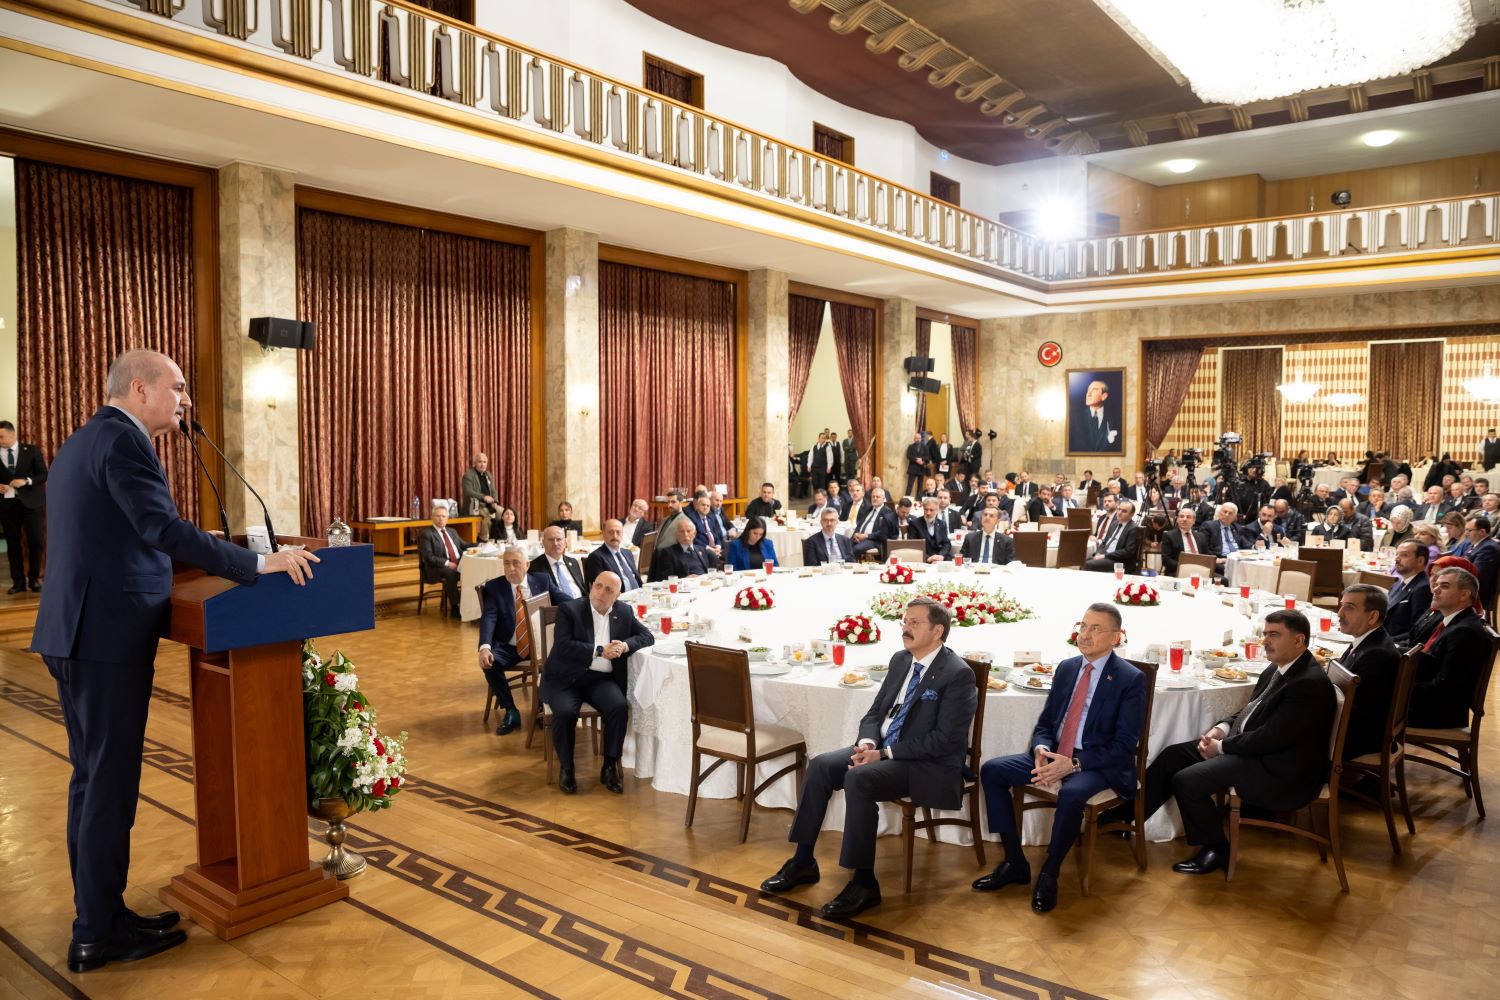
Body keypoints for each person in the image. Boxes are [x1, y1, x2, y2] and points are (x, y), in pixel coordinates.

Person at [32, 349, 318, 972]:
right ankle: (97, 934)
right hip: (103, 637)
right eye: (179, 387)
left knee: (92, 781)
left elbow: (124, 533)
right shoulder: (126, 443)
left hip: (74, 631)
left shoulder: (85, 439)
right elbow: (160, 528)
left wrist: (207, 548)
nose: (187, 398)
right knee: (107, 787)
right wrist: (252, 563)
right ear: (140, 389)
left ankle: (101, 915)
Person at [759, 597, 976, 918]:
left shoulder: (957, 674)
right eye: (905, 621)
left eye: (915, 622)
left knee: (858, 778)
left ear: (937, 630)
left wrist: (884, 753)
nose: (905, 627)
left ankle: (864, 884)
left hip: (927, 765)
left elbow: (944, 741)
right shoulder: (901, 660)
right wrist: (866, 742)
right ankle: (803, 861)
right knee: (821, 765)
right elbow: (876, 712)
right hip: (882, 750)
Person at [1103, 610, 1335, 876]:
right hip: (1258, 752)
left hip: (1281, 770)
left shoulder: (1308, 684)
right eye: (1264, 634)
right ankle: (1125, 818)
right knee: (1173, 755)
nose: (1265, 641)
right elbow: (1250, 711)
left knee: (1188, 780)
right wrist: (1221, 729)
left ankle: (1216, 849)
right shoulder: (1280, 666)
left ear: (1298, 640)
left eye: (1274, 635)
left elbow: (1272, 738)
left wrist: (1222, 748)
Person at [975, 603, 1146, 912]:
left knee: (1072, 792)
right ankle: (1014, 862)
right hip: (1057, 754)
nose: (1085, 634)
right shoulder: (1067, 668)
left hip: (1098, 763)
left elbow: (1124, 745)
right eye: (1083, 626)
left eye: (1096, 629)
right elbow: (1046, 723)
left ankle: (1050, 874)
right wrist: (1041, 749)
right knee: (993, 770)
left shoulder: (1129, 679)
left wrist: (1074, 764)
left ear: (1116, 637)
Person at [542, 571, 654, 794]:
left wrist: (624, 646)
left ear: (617, 595)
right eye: (598, 586)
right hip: (566, 678)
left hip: (600, 679)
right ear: (591, 586)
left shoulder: (624, 611)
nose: (601, 593)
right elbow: (563, 646)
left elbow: (647, 636)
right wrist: (600, 650)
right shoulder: (570, 610)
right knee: (564, 713)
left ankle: (609, 766)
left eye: (609, 590)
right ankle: (567, 768)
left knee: (618, 707)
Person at [477, 547, 551, 736]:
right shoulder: (495, 587)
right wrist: (484, 647)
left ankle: (544, 707)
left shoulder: (542, 580)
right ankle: (511, 711)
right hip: (508, 646)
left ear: (527, 565)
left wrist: (585, 606)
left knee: (559, 657)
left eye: (516, 563)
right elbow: (489, 617)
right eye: (506, 563)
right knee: (489, 663)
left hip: (538, 646)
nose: (511, 568)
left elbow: (563, 601)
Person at [1408, 567, 1492, 729]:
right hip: (1426, 700)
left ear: (1464, 594)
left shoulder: (1465, 632)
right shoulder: (1452, 620)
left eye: (1444, 586)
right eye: (1436, 585)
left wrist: (1398, 691)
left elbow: (1446, 687)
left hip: (1435, 713)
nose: (1435, 590)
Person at [1333, 584, 1401, 761]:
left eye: (1349, 607)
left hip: (1359, 738)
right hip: (1355, 728)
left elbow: (1360, 714)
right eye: (1342, 605)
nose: (1340, 613)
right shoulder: (1368, 639)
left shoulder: (1377, 655)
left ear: (1372, 616)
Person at [0, 419, 47, 593]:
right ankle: (18, 582)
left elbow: (44, 474)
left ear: (12, 434)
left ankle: (34, 579)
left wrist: (26, 481)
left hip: (31, 504)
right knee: (12, 545)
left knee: (35, 541)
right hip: (7, 505)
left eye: (1, 436)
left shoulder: (32, 451)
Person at [419, 503, 470, 618]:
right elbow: (428, 557)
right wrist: (447, 563)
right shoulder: (426, 534)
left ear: (447, 519)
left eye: (444, 516)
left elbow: (465, 545)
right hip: (436, 567)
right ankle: (455, 607)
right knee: (450, 573)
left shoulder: (452, 531)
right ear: (432, 517)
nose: (441, 519)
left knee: (475, 569)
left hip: (458, 562)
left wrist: (482, 544)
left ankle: (473, 605)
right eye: (438, 516)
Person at [1384, 540, 1433, 646]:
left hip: (1396, 645)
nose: (1397, 559)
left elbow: (1417, 629)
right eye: (1397, 554)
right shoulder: (1398, 584)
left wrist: (1386, 641)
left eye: (1404, 555)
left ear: (1420, 560)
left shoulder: (1423, 588)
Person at [529, 525, 586, 603]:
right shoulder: (535, 567)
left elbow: (583, 589)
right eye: (551, 540)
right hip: (558, 610)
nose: (555, 543)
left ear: (565, 542)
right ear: (543, 542)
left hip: (583, 605)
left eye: (559, 539)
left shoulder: (573, 562)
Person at [584, 519, 643, 590]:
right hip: (618, 598)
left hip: (638, 594)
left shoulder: (628, 553)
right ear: (603, 534)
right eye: (610, 532)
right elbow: (600, 588)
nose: (615, 536)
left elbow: (637, 578)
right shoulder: (596, 557)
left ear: (622, 534)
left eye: (618, 532)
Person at [1084, 500, 1140, 573]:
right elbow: (1104, 542)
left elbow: (1128, 552)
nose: (1119, 513)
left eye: (1124, 511)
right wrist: (1099, 553)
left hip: (1120, 561)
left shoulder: (1133, 528)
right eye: (1119, 509)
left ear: (1131, 514)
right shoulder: (1114, 524)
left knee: (1088, 564)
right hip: (1107, 555)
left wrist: (1105, 556)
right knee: (1085, 560)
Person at [460, 452, 501, 539]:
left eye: (484, 462)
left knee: (503, 513)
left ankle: (502, 538)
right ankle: (483, 539)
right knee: (488, 517)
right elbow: (468, 492)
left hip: (489, 505)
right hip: (475, 506)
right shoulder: (468, 475)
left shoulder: (488, 474)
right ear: (475, 463)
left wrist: (495, 502)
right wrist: (483, 497)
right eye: (480, 462)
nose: (482, 464)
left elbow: (493, 490)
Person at [1070, 378, 1118, 453]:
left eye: (1094, 390)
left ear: (1104, 396)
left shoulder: (1115, 419)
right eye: (1088, 390)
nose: (1088, 394)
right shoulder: (1074, 418)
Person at [1461, 515, 1499, 609]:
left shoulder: (1488, 548)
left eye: (1469, 530)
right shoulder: (1476, 545)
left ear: (1482, 531)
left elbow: (1476, 575)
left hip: (1477, 595)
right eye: (1465, 530)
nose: (1465, 533)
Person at [851, 487, 899, 558]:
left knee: (856, 549)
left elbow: (883, 532)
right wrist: (856, 534)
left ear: (883, 499)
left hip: (873, 540)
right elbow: (859, 524)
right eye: (873, 497)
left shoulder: (887, 513)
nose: (875, 498)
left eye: (877, 497)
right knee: (845, 545)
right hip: (860, 537)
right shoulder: (868, 509)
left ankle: (854, 567)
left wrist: (866, 536)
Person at [1159, 506, 1208, 577]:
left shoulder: (1201, 536)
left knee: (1223, 580)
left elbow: (1206, 556)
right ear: (1178, 520)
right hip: (1179, 570)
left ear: (1194, 521)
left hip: (1200, 570)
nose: (1184, 519)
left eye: (1188, 517)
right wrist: (1186, 566)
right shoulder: (1169, 536)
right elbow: (1166, 560)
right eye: (1181, 516)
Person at [908, 496, 952, 563]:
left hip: (940, 558)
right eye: (926, 509)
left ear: (937, 510)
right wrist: (927, 558)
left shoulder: (942, 524)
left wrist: (941, 556)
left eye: (931, 510)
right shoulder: (914, 524)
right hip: (923, 558)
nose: (928, 513)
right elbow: (912, 546)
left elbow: (946, 544)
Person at [904, 433, 927, 497]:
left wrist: (921, 459)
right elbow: (908, 456)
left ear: (921, 439)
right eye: (916, 438)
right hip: (912, 468)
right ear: (914, 439)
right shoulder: (910, 446)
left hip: (921, 468)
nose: (918, 439)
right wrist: (916, 460)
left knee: (920, 485)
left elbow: (927, 457)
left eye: (919, 438)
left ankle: (919, 499)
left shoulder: (925, 447)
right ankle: (907, 498)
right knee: (910, 485)